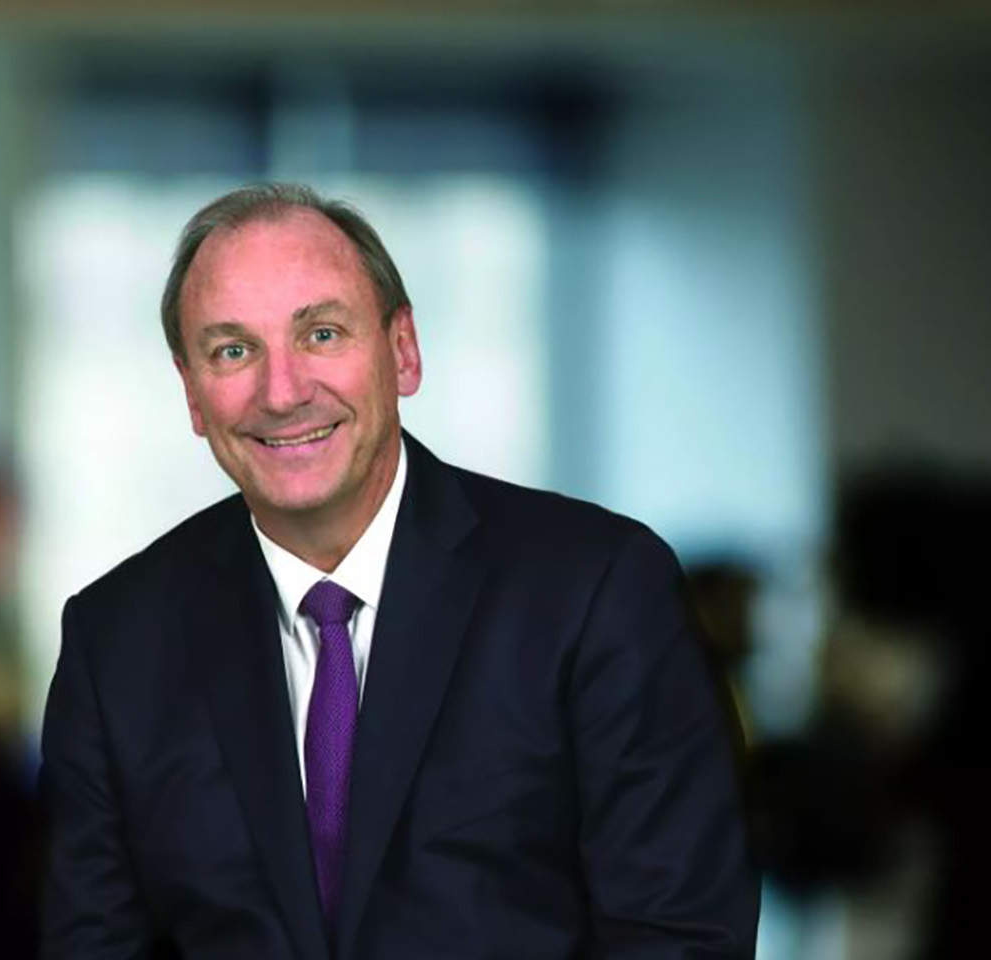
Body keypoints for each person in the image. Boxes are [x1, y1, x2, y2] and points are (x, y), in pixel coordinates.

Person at [40, 183, 758, 959]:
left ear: (403, 351)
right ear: (191, 392)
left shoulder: (597, 589)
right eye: (233, 351)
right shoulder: (116, 642)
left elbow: (680, 937)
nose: (283, 392)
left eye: (321, 334)